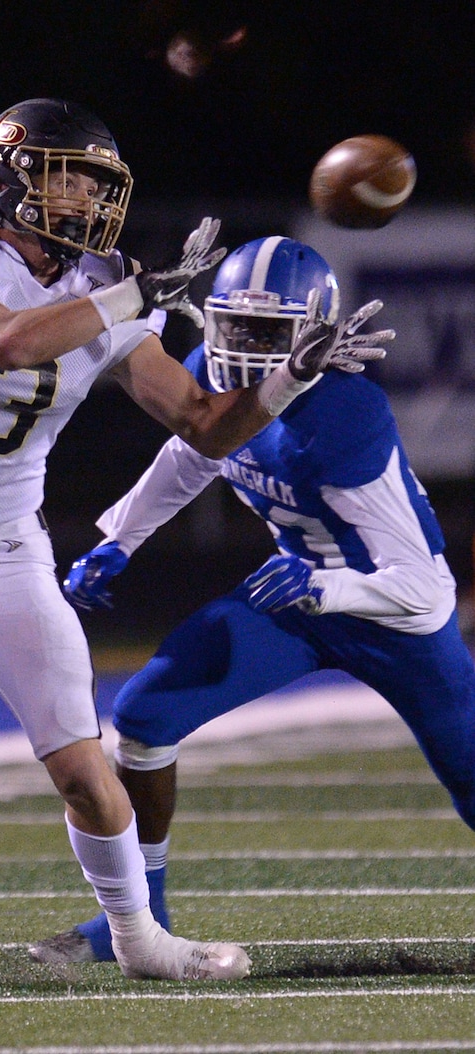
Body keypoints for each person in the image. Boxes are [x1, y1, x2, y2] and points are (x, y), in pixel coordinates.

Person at [0, 103, 387, 990]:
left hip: (5, 557)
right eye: (68, 174)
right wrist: (128, 297)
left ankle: (139, 937)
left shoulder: (103, 281)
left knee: (82, 771)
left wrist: (291, 377)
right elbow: (2, 343)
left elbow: (204, 427)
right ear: (7, 171)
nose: (85, 195)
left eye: (96, 181)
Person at [28, 234, 475, 966]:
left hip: (391, 610)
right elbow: (191, 458)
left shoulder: (342, 414)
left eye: (271, 335)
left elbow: (425, 586)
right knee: (144, 718)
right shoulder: (211, 373)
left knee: (472, 784)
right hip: (294, 590)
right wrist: (121, 538)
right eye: (237, 327)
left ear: (314, 335)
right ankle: (134, 920)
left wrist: (328, 584)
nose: (247, 349)